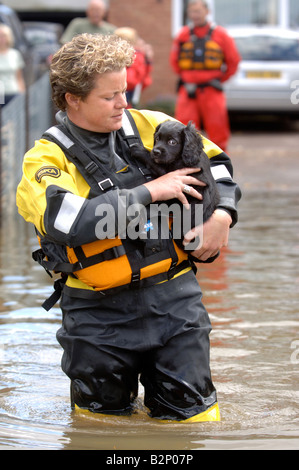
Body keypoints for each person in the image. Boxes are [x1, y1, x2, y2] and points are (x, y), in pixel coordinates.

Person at [16, 33, 241, 422]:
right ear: (72, 98)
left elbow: (217, 164)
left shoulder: (151, 124)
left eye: (125, 90)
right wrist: (150, 191)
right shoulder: (45, 158)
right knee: (98, 429)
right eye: (110, 96)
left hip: (176, 304)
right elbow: (66, 221)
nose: (124, 103)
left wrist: (222, 215)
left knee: (195, 424)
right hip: (96, 316)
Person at [170, 0, 241, 151]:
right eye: (192, 12)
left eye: (198, 11)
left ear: (207, 12)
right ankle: (185, 161)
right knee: (183, 128)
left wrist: (218, 79)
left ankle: (219, 163)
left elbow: (233, 62)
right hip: (188, 90)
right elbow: (174, 61)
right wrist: (188, 78)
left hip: (211, 89)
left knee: (218, 128)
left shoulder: (221, 34)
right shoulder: (183, 34)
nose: (195, 15)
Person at [115, 27, 153, 107]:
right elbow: (144, 81)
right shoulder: (136, 55)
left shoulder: (135, 56)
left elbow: (131, 80)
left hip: (125, 96)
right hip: (127, 96)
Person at [0, 24, 25, 106]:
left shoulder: (15, 54)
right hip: (1, 93)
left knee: (13, 117)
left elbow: (19, 77)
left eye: (4, 36)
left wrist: (22, 92)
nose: (2, 39)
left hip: (13, 92)